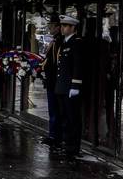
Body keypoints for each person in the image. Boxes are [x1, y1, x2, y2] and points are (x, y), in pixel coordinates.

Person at [55, 14, 84, 159]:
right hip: (62, 87)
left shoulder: (76, 43)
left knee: (73, 118)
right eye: (62, 25)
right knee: (64, 118)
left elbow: (78, 66)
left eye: (65, 26)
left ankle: (73, 148)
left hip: (70, 88)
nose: (62, 28)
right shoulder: (64, 42)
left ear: (73, 28)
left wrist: (75, 85)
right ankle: (67, 145)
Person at [40, 14, 63, 146]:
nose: (49, 28)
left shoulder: (58, 42)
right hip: (51, 81)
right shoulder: (54, 41)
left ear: (58, 27)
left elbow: (54, 64)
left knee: (54, 110)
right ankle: (53, 134)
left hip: (54, 82)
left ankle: (55, 136)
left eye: (52, 26)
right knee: (52, 110)